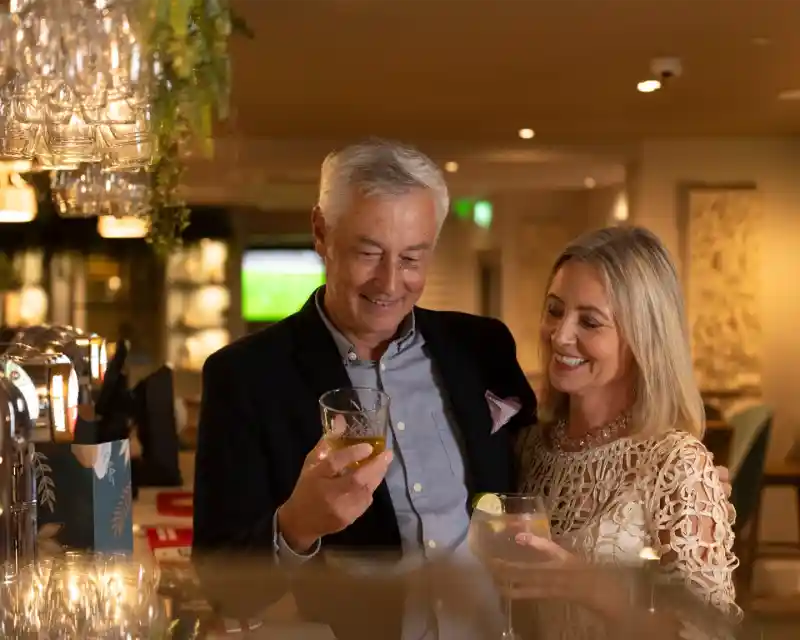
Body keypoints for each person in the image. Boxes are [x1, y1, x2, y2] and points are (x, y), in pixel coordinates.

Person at [193, 138, 536, 640]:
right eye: (369, 253)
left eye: (413, 258)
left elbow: (536, 476)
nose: (390, 283)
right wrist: (296, 527)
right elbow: (225, 587)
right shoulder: (245, 377)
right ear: (320, 233)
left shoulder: (482, 346)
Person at [504, 226, 740, 639]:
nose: (560, 336)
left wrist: (593, 588)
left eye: (590, 322)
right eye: (555, 310)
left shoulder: (675, 463)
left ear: (642, 338)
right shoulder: (529, 449)